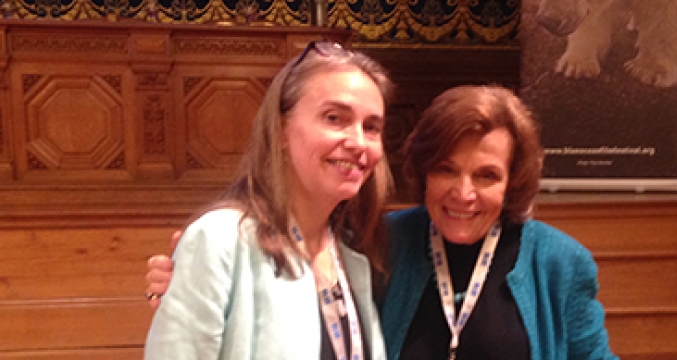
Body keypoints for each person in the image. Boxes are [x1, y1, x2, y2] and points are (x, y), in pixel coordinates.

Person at [147, 85, 619, 360]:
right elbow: (295, 283)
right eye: (446, 169)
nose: (464, 193)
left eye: (487, 175)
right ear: (422, 169)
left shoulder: (559, 261)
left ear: (512, 181)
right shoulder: (380, 241)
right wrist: (190, 279)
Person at [143, 41, 394, 360]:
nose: (358, 141)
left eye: (371, 127)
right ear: (281, 130)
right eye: (334, 118)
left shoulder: (353, 253)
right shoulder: (219, 240)